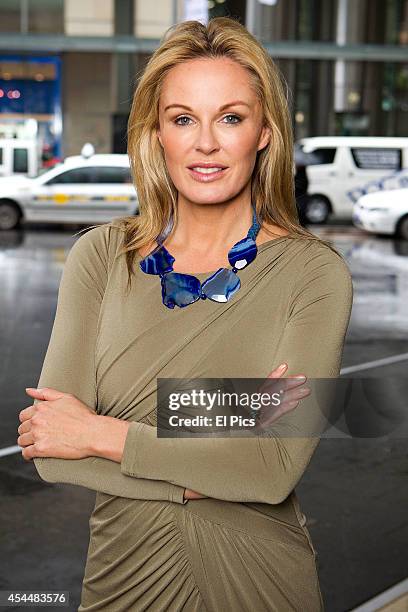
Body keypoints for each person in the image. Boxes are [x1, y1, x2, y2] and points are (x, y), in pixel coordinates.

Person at [17, 17, 353, 611]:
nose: (205, 143)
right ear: (155, 133)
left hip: (258, 579)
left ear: (265, 132)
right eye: (182, 119)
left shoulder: (313, 273)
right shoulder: (100, 256)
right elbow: (48, 450)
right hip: (121, 574)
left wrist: (99, 433)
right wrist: (236, 414)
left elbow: (272, 471)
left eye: (230, 117)